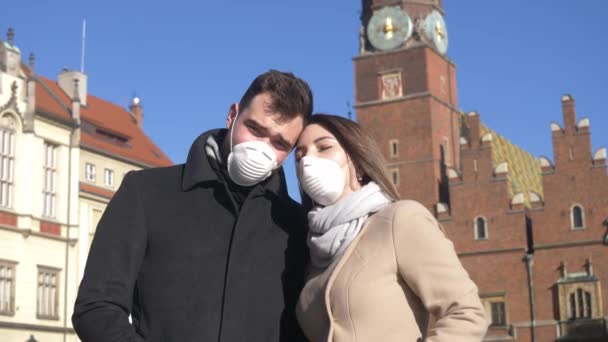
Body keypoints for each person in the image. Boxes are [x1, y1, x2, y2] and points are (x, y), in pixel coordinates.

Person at [72, 70, 313, 342]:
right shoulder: (146, 193)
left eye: (280, 143)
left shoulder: (297, 226)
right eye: (255, 129)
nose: (262, 148)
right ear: (232, 116)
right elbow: (96, 307)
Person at [294, 114, 489, 342]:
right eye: (299, 156)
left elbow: (466, 313)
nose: (308, 161)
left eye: (324, 147)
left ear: (357, 162)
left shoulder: (399, 219)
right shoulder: (311, 247)